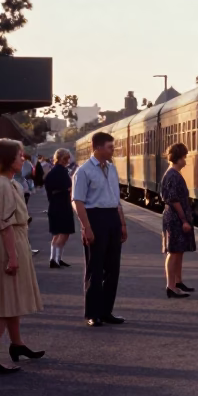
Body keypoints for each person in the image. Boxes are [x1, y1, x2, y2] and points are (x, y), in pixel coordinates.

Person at [0, 139, 45, 374]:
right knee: (3, 304)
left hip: (15, 241)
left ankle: (17, 344)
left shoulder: (11, 183)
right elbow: (4, 225)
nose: (23, 158)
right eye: (19, 155)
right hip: (8, 244)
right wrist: (12, 257)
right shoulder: (3, 185)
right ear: (7, 159)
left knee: (11, 299)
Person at [72, 131, 128, 327]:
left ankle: (106, 311)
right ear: (97, 148)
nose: (113, 150)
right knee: (95, 268)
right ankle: (93, 313)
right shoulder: (84, 171)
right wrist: (86, 227)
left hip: (112, 217)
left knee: (113, 268)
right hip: (95, 218)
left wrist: (122, 223)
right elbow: (77, 201)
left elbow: (116, 199)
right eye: (110, 147)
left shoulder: (112, 169)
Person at [160, 143, 196, 299]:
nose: (185, 160)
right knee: (173, 251)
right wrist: (184, 220)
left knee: (178, 250)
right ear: (179, 158)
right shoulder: (173, 175)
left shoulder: (174, 174)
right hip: (175, 219)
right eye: (184, 157)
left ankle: (178, 282)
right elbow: (173, 199)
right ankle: (171, 286)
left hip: (176, 218)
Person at [45, 149, 75, 268]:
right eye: (66, 158)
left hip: (54, 205)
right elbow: (68, 187)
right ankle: (56, 259)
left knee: (57, 233)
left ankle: (54, 258)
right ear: (62, 159)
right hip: (63, 205)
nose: (68, 160)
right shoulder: (62, 172)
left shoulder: (52, 172)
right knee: (64, 233)